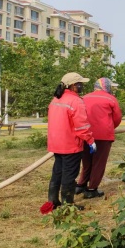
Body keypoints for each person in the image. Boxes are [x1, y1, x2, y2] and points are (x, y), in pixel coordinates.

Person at [41, 72, 96, 213]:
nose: (82, 86)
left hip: (56, 143)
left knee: (57, 172)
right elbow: (81, 126)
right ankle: (68, 204)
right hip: (71, 144)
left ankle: (53, 201)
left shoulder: (56, 99)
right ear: (73, 85)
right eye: (80, 84)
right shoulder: (75, 101)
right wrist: (90, 140)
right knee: (69, 175)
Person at [75, 78, 122, 199]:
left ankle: (81, 184)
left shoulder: (84, 98)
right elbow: (117, 118)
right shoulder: (111, 99)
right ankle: (92, 189)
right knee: (98, 163)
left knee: (86, 161)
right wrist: (110, 127)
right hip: (103, 136)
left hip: (85, 134)